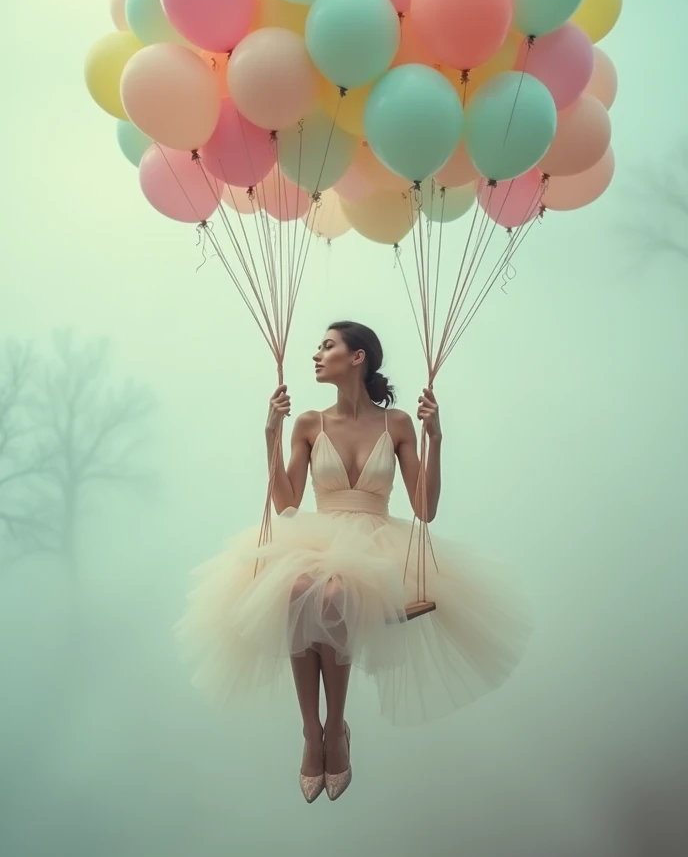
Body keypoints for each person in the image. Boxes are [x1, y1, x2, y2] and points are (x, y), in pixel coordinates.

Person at [176, 321, 530, 803]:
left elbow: (424, 509)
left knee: (335, 594)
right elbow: (286, 503)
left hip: (377, 542)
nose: (316, 355)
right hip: (319, 536)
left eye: (327, 346)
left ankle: (337, 727)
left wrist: (437, 438)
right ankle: (310, 732)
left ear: (357, 357)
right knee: (301, 589)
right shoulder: (308, 423)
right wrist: (270, 434)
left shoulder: (398, 424)